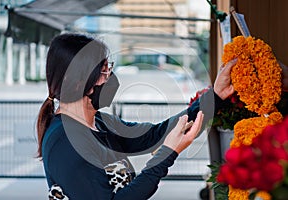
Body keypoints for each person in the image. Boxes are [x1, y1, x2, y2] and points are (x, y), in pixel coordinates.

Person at [36, 33, 236, 200]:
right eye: (103, 71)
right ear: (79, 84)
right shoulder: (65, 142)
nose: (110, 78)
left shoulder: (100, 123)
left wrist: (215, 96)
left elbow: (156, 135)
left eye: (109, 68)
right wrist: (166, 154)